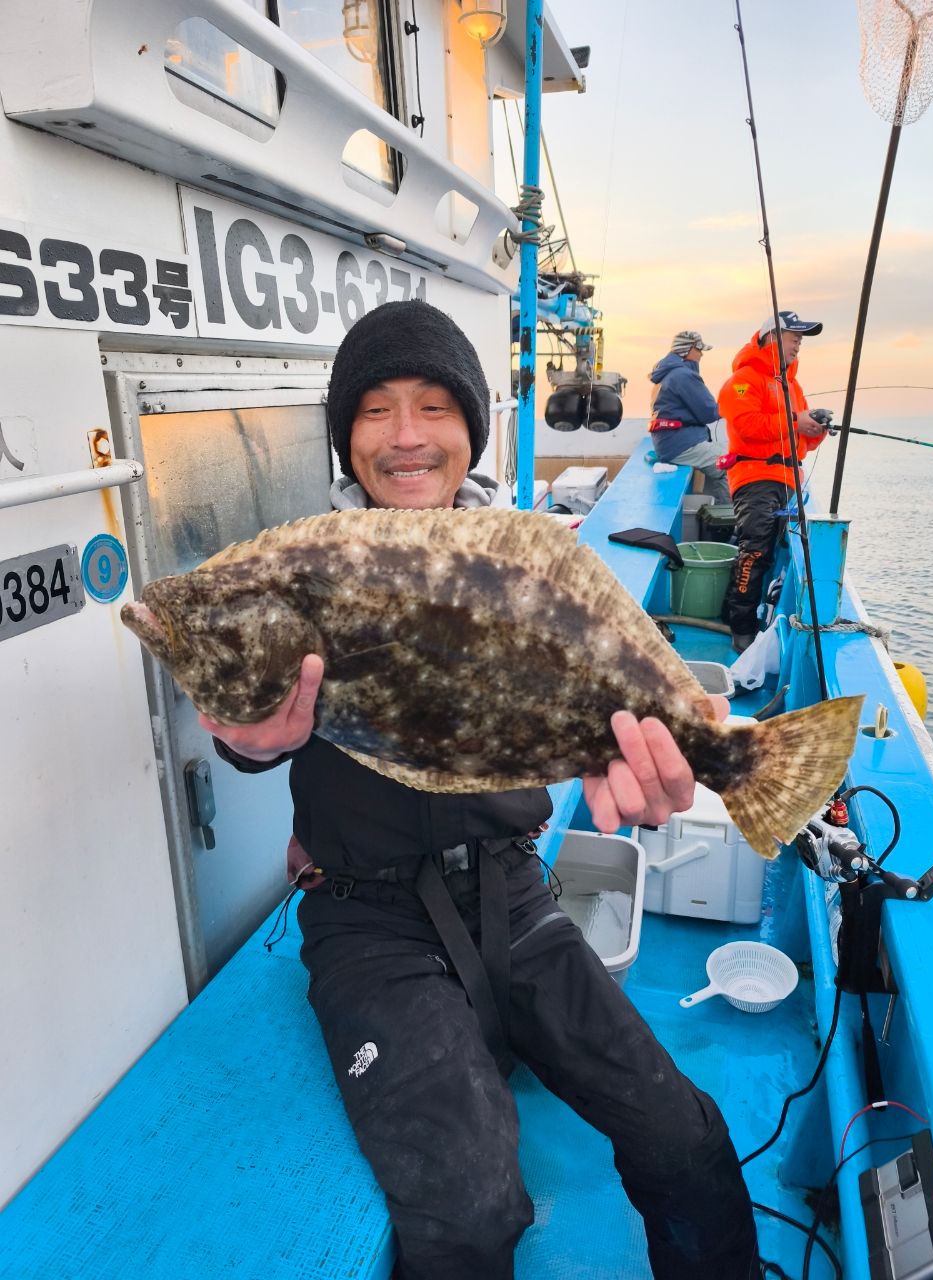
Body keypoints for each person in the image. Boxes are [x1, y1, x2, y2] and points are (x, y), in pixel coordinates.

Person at [201, 300, 760, 1280]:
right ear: (347, 438)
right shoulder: (302, 573)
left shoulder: (526, 566)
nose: (406, 434)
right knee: (469, 1210)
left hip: (514, 890)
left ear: (470, 429)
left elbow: (595, 694)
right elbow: (253, 728)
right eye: (375, 409)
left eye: (432, 406)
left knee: (689, 1136)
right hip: (368, 920)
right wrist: (250, 747)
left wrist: (643, 753)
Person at [719, 310, 828, 654]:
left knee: (767, 551)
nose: (798, 344)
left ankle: (739, 615)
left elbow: (803, 442)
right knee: (755, 550)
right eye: (793, 336)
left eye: (800, 338)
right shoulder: (743, 380)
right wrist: (797, 420)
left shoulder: (793, 386)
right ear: (771, 337)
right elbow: (748, 425)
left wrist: (816, 428)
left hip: (787, 480)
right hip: (755, 478)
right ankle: (741, 627)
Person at [648, 330, 730, 501]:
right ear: (687, 350)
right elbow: (709, 412)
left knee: (718, 463)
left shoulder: (669, 373)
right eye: (699, 350)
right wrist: (733, 406)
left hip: (670, 442)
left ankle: (713, 510)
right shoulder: (683, 375)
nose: (701, 355)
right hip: (680, 444)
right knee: (729, 464)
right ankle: (728, 519)